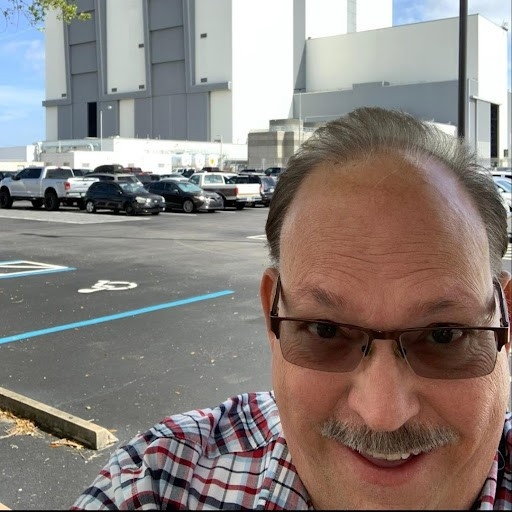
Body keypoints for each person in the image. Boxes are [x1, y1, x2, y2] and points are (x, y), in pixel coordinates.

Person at [71, 107, 511, 510]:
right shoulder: (158, 481)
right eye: (325, 330)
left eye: (442, 336)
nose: (382, 414)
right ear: (272, 316)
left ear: (506, 319)